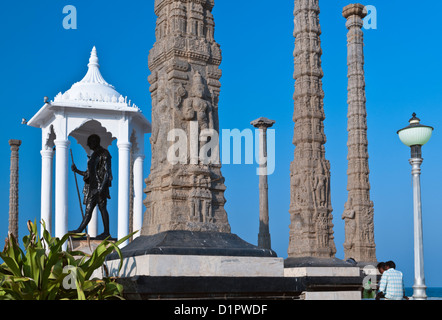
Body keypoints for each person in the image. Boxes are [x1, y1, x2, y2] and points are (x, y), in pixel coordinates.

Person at [70, 134, 113, 240]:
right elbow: (89, 174)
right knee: (88, 210)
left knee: (102, 209)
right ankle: (79, 230)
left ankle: (106, 232)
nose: (88, 145)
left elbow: (107, 173)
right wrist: (76, 171)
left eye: (90, 142)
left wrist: (102, 189)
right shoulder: (93, 156)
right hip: (92, 188)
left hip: (99, 187)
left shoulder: (104, 154)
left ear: (95, 142)